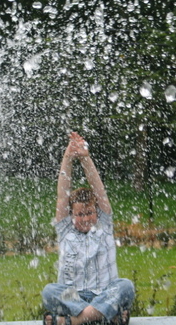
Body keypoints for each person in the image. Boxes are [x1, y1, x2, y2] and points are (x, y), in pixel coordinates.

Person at [42, 132, 135, 325]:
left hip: (104, 294)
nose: (85, 219)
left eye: (89, 213)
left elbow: (98, 189)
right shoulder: (66, 230)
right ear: (71, 215)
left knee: (125, 286)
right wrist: (68, 157)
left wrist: (85, 158)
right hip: (73, 298)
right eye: (79, 215)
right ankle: (103, 317)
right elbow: (62, 195)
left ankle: (73, 321)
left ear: (97, 212)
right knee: (49, 291)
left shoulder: (104, 225)